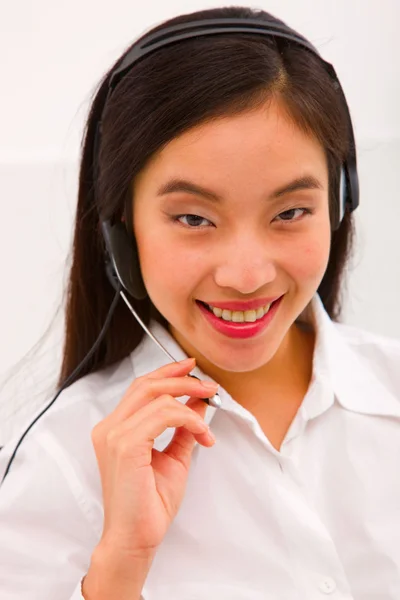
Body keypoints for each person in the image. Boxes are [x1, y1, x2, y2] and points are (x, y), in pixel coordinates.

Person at [0, 4, 399, 600]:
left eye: (290, 213)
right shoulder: (60, 461)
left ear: (340, 205)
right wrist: (119, 568)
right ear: (121, 233)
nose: (245, 275)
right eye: (193, 218)